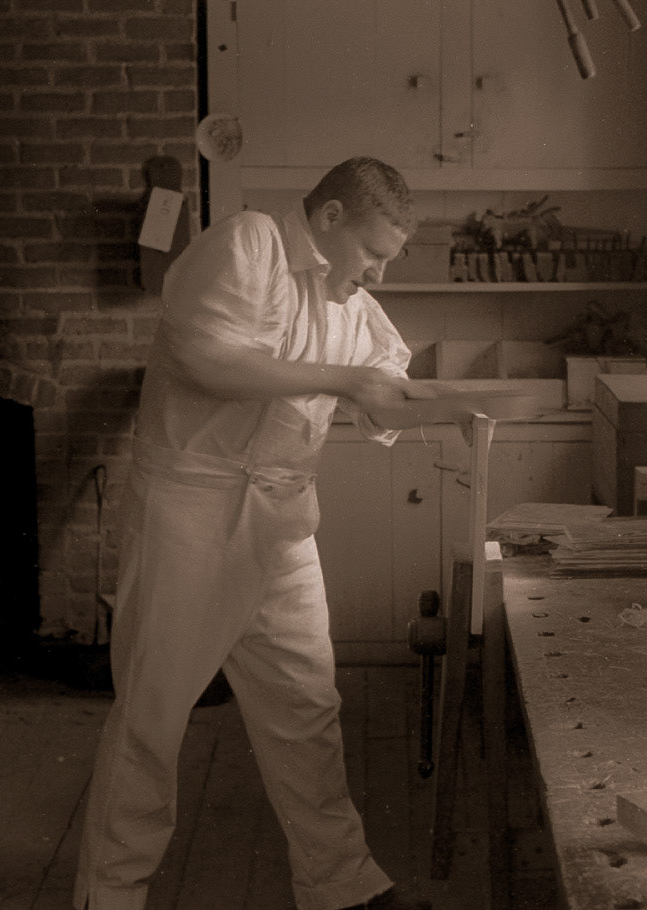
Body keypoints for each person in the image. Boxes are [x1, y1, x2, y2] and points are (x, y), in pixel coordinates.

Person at [75, 157, 445, 910]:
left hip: (281, 519)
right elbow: (207, 359)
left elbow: (385, 385)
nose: (375, 273)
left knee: (306, 706)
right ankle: (106, 896)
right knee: (153, 710)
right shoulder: (247, 244)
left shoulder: (349, 302)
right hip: (192, 510)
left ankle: (339, 885)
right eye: (373, 252)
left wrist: (446, 403)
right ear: (330, 219)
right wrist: (343, 382)